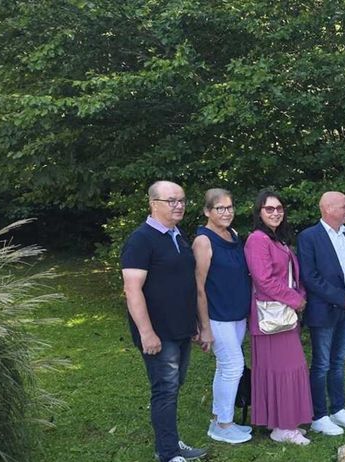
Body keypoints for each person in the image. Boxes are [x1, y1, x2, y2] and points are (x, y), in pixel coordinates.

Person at [121, 180, 208, 462]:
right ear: (153, 204)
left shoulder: (177, 235)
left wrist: (195, 324)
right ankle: (168, 453)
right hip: (159, 333)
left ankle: (168, 443)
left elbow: (183, 283)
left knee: (173, 387)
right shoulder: (141, 240)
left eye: (182, 200)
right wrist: (146, 333)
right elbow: (132, 289)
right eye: (171, 201)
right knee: (165, 390)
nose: (179, 205)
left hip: (180, 329)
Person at [244, 190, 312, 446]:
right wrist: (295, 300)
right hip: (271, 318)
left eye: (279, 208)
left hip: (284, 314)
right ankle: (282, 426)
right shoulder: (257, 239)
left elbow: (291, 276)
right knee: (283, 370)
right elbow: (264, 280)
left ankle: (285, 421)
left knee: (290, 368)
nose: (275, 213)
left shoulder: (278, 240)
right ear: (259, 212)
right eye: (269, 209)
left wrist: (300, 295)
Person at [297, 191, 345, 436]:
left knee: (338, 362)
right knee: (322, 363)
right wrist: (341, 297)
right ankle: (319, 415)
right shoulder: (309, 237)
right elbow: (310, 276)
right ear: (328, 209)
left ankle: (338, 409)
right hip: (323, 310)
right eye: (344, 206)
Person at [192, 188, 253, 444]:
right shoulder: (203, 241)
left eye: (229, 207)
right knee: (233, 366)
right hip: (217, 316)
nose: (227, 212)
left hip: (236, 314)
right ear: (207, 211)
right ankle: (223, 426)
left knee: (225, 366)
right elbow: (198, 287)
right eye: (220, 208)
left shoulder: (233, 234)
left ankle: (219, 419)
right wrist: (204, 326)